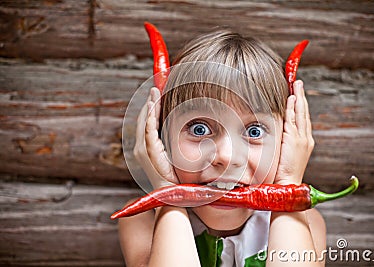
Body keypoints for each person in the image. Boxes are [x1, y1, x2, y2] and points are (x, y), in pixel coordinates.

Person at [118, 29, 326, 267]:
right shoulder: (141, 219)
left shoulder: (306, 221)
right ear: (160, 136)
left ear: (288, 141)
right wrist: (167, 194)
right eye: (199, 129)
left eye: (254, 131)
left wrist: (289, 184)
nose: (226, 157)